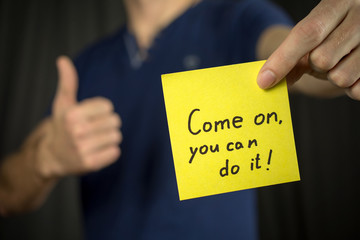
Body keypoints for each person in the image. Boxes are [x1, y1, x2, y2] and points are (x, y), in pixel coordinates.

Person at [0, 0, 359, 239]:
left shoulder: (239, 19)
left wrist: (332, 52)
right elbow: (7, 193)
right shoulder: (87, 65)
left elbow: (293, 59)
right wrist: (44, 159)